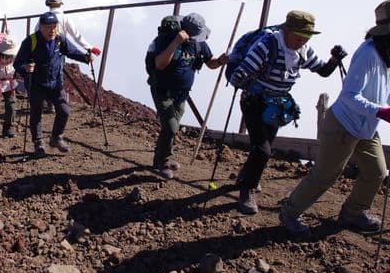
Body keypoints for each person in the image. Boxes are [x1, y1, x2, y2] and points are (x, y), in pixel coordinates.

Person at [280, 0, 390, 237]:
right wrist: (381, 112)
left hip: (366, 128)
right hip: (343, 125)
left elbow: (383, 90)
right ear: (389, 27)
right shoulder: (367, 53)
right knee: (325, 175)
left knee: (377, 172)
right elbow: (349, 96)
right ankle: (289, 213)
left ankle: (352, 212)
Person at [228, 11, 346, 215]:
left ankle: (245, 176)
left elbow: (323, 71)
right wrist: (239, 76)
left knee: (264, 146)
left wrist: (335, 59)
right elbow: (245, 69)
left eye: (306, 37)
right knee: (263, 150)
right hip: (254, 102)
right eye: (299, 36)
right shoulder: (267, 44)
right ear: (287, 31)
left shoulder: (303, 50)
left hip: (277, 105)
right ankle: (246, 191)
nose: (302, 41)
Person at [145, 13, 226, 179]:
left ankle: (159, 158)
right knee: (171, 127)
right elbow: (159, 64)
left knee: (169, 128)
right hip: (162, 91)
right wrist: (176, 42)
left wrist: (220, 61)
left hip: (182, 94)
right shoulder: (167, 39)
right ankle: (164, 162)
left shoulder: (199, 44)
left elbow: (210, 62)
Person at [14, 11, 93, 156]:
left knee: (64, 111)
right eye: (48, 27)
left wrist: (86, 58)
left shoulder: (59, 39)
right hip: (36, 84)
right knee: (36, 114)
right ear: (41, 27)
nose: (52, 30)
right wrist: (25, 68)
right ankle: (38, 143)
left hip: (55, 83)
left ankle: (56, 138)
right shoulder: (31, 41)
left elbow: (71, 51)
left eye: (54, 26)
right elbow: (17, 63)